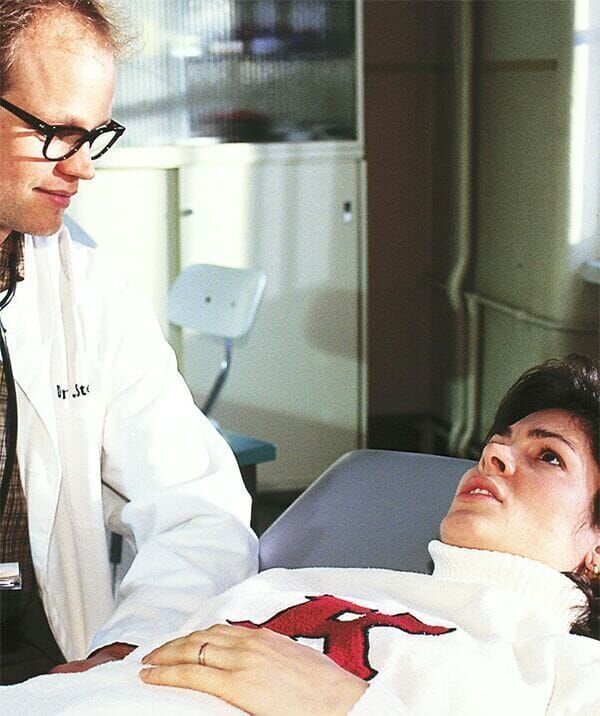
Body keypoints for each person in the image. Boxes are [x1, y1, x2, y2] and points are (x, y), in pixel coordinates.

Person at [1, 355, 598, 713]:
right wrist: (114, 665)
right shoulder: (288, 584)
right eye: (498, 442)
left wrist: (345, 707)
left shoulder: (565, 671)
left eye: (549, 457)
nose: (494, 455)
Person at [0, 0, 257, 684]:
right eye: (57, 133)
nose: (83, 168)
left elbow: (198, 507)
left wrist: (132, 645)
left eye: (94, 136)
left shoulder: (84, 285)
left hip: (46, 664)